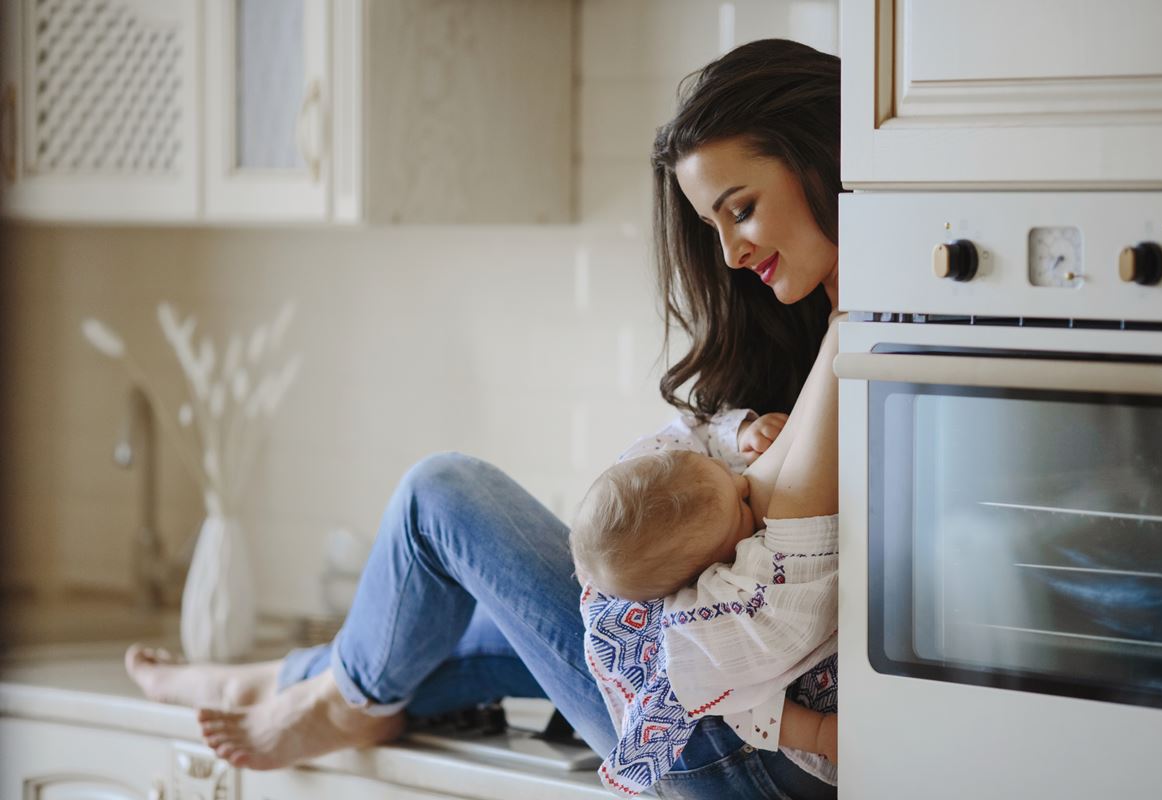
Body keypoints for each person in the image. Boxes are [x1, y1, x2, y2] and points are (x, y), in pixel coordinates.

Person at [124, 38, 842, 799]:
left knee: (441, 494)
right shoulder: (833, 323)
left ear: (821, 157)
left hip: (736, 754)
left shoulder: (866, 330)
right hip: (727, 726)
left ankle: (340, 702)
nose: (729, 253)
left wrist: (846, 313)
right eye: (713, 225)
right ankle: (281, 679)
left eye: (742, 209)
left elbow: (782, 556)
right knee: (497, 629)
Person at [572, 318, 841, 796]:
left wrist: (741, 435)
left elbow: (694, 438)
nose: (745, 481)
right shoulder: (703, 638)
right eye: (742, 506)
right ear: (709, 572)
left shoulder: (685, 468)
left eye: (725, 474)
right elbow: (752, 714)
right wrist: (818, 734)